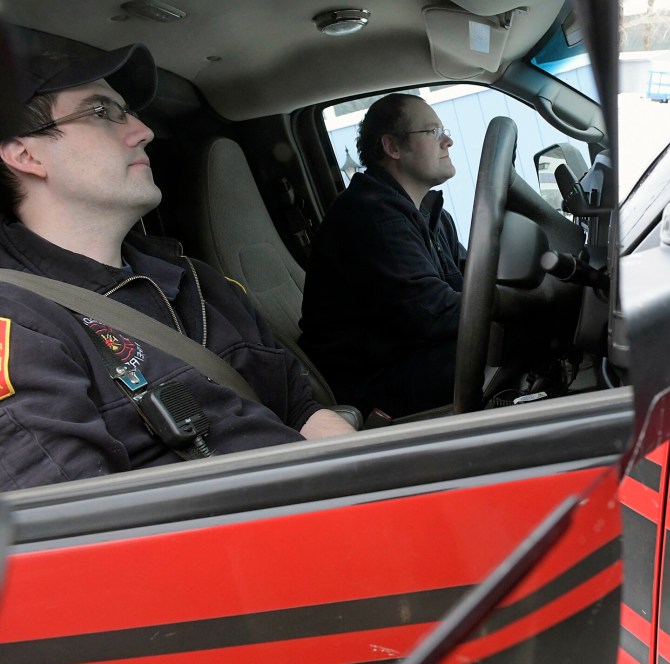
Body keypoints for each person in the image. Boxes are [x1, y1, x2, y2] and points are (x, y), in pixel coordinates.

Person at [0, 43, 355, 490]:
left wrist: (372, 480)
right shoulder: (19, 322)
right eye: (101, 112)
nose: (143, 131)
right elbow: (76, 528)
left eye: (127, 111)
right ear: (25, 155)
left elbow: (300, 410)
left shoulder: (194, 279)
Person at [300, 93, 465, 419]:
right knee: (508, 340)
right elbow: (431, 313)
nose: (448, 140)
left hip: (407, 358)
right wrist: (516, 306)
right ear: (392, 147)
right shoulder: (369, 214)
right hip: (369, 382)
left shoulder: (432, 215)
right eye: (433, 132)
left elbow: (470, 283)